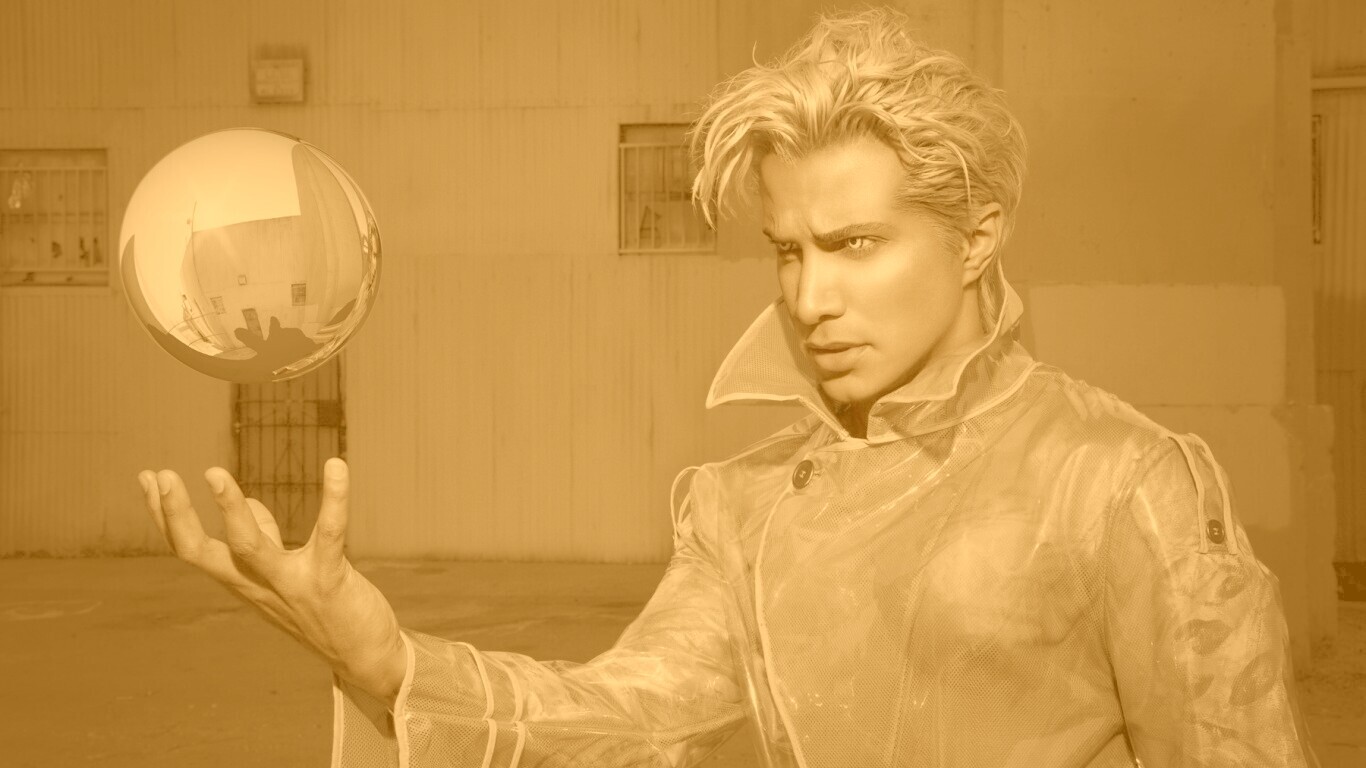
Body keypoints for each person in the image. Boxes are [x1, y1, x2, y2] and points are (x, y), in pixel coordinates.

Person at [137, 8, 1321, 767]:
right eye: (786, 252)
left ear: (977, 236)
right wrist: (392, 663)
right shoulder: (741, 507)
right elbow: (630, 718)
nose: (809, 297)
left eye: (853, 245)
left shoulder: (1120, 483)